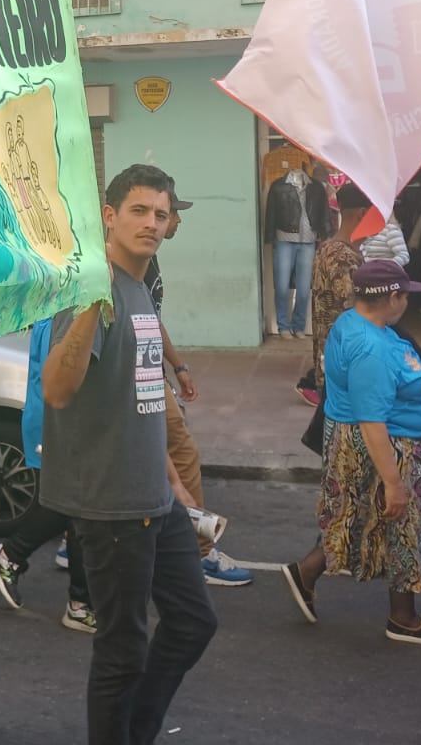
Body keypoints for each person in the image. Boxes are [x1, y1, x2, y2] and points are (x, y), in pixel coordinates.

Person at [42, 163, 217, 745]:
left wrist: (179, 489)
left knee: (193, 622)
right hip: (110, 503)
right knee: (121, 652)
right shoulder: (93, 290)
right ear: (109, 217)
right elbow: (57, 390)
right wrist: (93, 304)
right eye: (138, 210)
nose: (151, 222)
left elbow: (143, 402)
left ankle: (133, 731)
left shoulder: (141, 289)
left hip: (153, 496)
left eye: (161, 214)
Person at [282, 260, 421, 646]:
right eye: (405, 295)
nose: (407, 302)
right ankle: (404, 619)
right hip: (383, 447)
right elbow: (371, 420)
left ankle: (307, 571)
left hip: (369, 442)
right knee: (400, 526)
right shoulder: (371, 350)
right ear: (392, 297)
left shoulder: (354, 322)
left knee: (356, 516)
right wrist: (394, 483)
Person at [145, 190, 252, 587]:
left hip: (154, 373)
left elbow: (151, 320)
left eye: (164, 215)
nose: (174, 222)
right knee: (181, 454)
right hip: (143, 377)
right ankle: (200, 554)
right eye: (172, 214)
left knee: (164, 457)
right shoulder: (132, 261)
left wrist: (178, 365)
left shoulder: (148, 260)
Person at [0, 318, 98, 632]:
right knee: (71, 504)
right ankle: (12, 555)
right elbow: (60, 384)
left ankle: (80, 601)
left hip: (60, 425)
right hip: (57, 426)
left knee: (76, 508)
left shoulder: (63, 315)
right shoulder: (66, 320)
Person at [299, 182, 373, 407]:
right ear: (362, 214)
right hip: (345, 367)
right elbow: (354, 311)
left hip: (332, 362)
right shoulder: (342, 257)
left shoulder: (329, 249)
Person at [263, 165, 331, 339]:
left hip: (309, 240)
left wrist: (325, 234)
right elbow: (271, 213)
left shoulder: (316, 187)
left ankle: (299, 326)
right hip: (284, 238)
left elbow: (324, 212)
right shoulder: (278, 186)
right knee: (282, 286)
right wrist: (269, 238)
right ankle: (283, 326)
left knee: (304, 287)